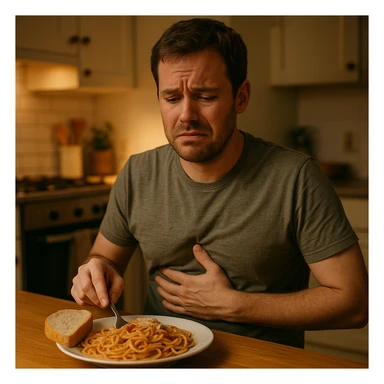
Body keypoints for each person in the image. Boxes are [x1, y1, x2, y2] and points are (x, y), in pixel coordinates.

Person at [71, 17, 368, 348]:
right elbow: (104, 258)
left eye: (205, 96)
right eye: (171, 98)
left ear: (241, 98)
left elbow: (354, 304)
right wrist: (96, 270)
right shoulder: (137, 172)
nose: (186, 115)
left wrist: (236, 306)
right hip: (155, 356)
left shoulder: (296, 178)